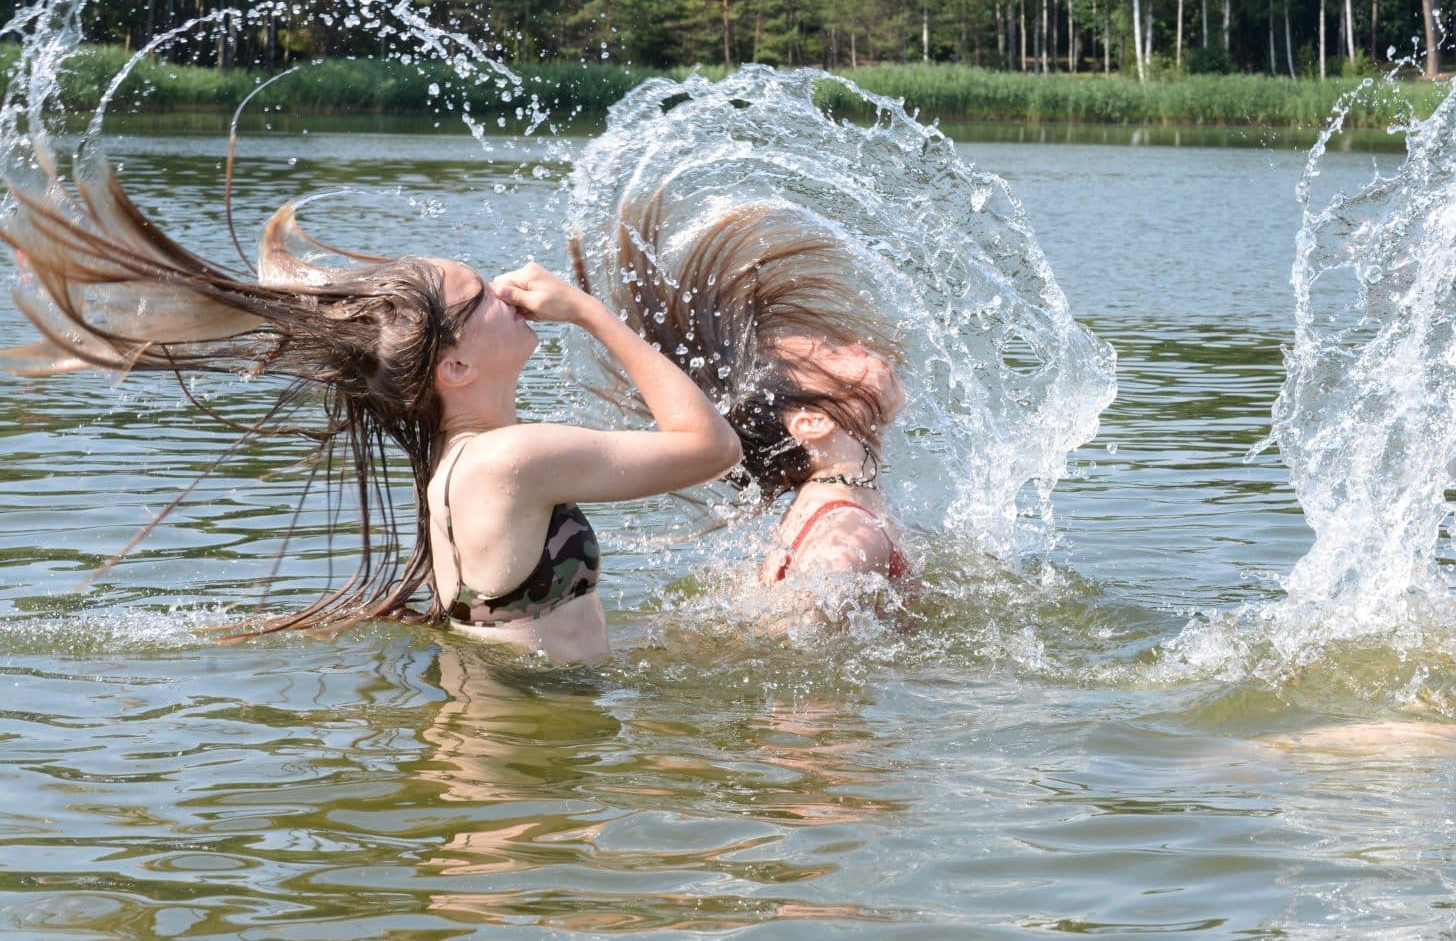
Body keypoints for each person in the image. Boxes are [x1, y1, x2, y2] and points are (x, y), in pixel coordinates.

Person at [1, 147, 740, 663]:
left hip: (510, 756)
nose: (507, 289)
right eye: (480, 296)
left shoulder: (460, 463)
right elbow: (712, 447)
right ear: (454, 366)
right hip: (525, 759)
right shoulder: (512, 458)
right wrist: (587, 311)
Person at [571, 201, 913, 599]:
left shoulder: (837, 506)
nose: (856, 347)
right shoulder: (848, 535)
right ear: (811, 422)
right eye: (831, 354)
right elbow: (810, 603)